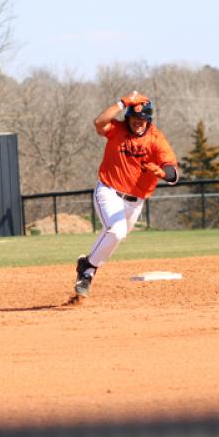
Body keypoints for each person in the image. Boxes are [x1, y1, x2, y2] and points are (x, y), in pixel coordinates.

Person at [74, 91, 179, 297]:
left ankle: (87, 265)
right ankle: (87, 271)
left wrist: (162, 173)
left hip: (135, 202)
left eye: (142, 119)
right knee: (116, 230)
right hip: (108, 190)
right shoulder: (117, 130)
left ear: (148, 120)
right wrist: (122, 102)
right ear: (127, 117)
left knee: (114, 235)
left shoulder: (156, 139)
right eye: (133, 118)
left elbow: (174, 172)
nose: (137, 122)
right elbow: (98, 122)